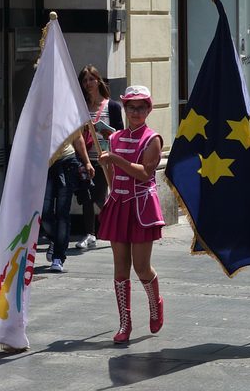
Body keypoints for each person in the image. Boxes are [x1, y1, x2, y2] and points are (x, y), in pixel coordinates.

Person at [96, 85, 165, 343]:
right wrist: (108, 165)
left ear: (148, 109)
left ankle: (155, 303)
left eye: (141, 107)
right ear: (124, 108)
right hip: (119, 203)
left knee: (142, 266)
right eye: (131, 107)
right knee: (120, 268)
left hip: (141, 206)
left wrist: (115, 159)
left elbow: (145, 172)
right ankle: (125, 324)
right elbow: (114, 179)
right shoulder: (114, 138)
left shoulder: (152, 139)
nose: (136, 112)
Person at [75, 65, 123, 250]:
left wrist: (106, 135)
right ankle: (90, 233)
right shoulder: (81, 107)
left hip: (105, 159)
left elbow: (119, 133)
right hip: (85, 157)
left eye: (91, 79)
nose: (88, 83)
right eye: (85, 80)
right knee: (86, 195)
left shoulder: (111, 106)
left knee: (99, 196)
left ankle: (115, 223)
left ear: (98, 80)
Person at [42, 130, 93, 273]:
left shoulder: (67, 109)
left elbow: (77, 137)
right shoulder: (39, 110)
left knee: (62, 213)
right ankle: (55, 238)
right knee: (44, 212)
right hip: (44, 165)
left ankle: (58, 257)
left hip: (67, 162)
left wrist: (87, 162)